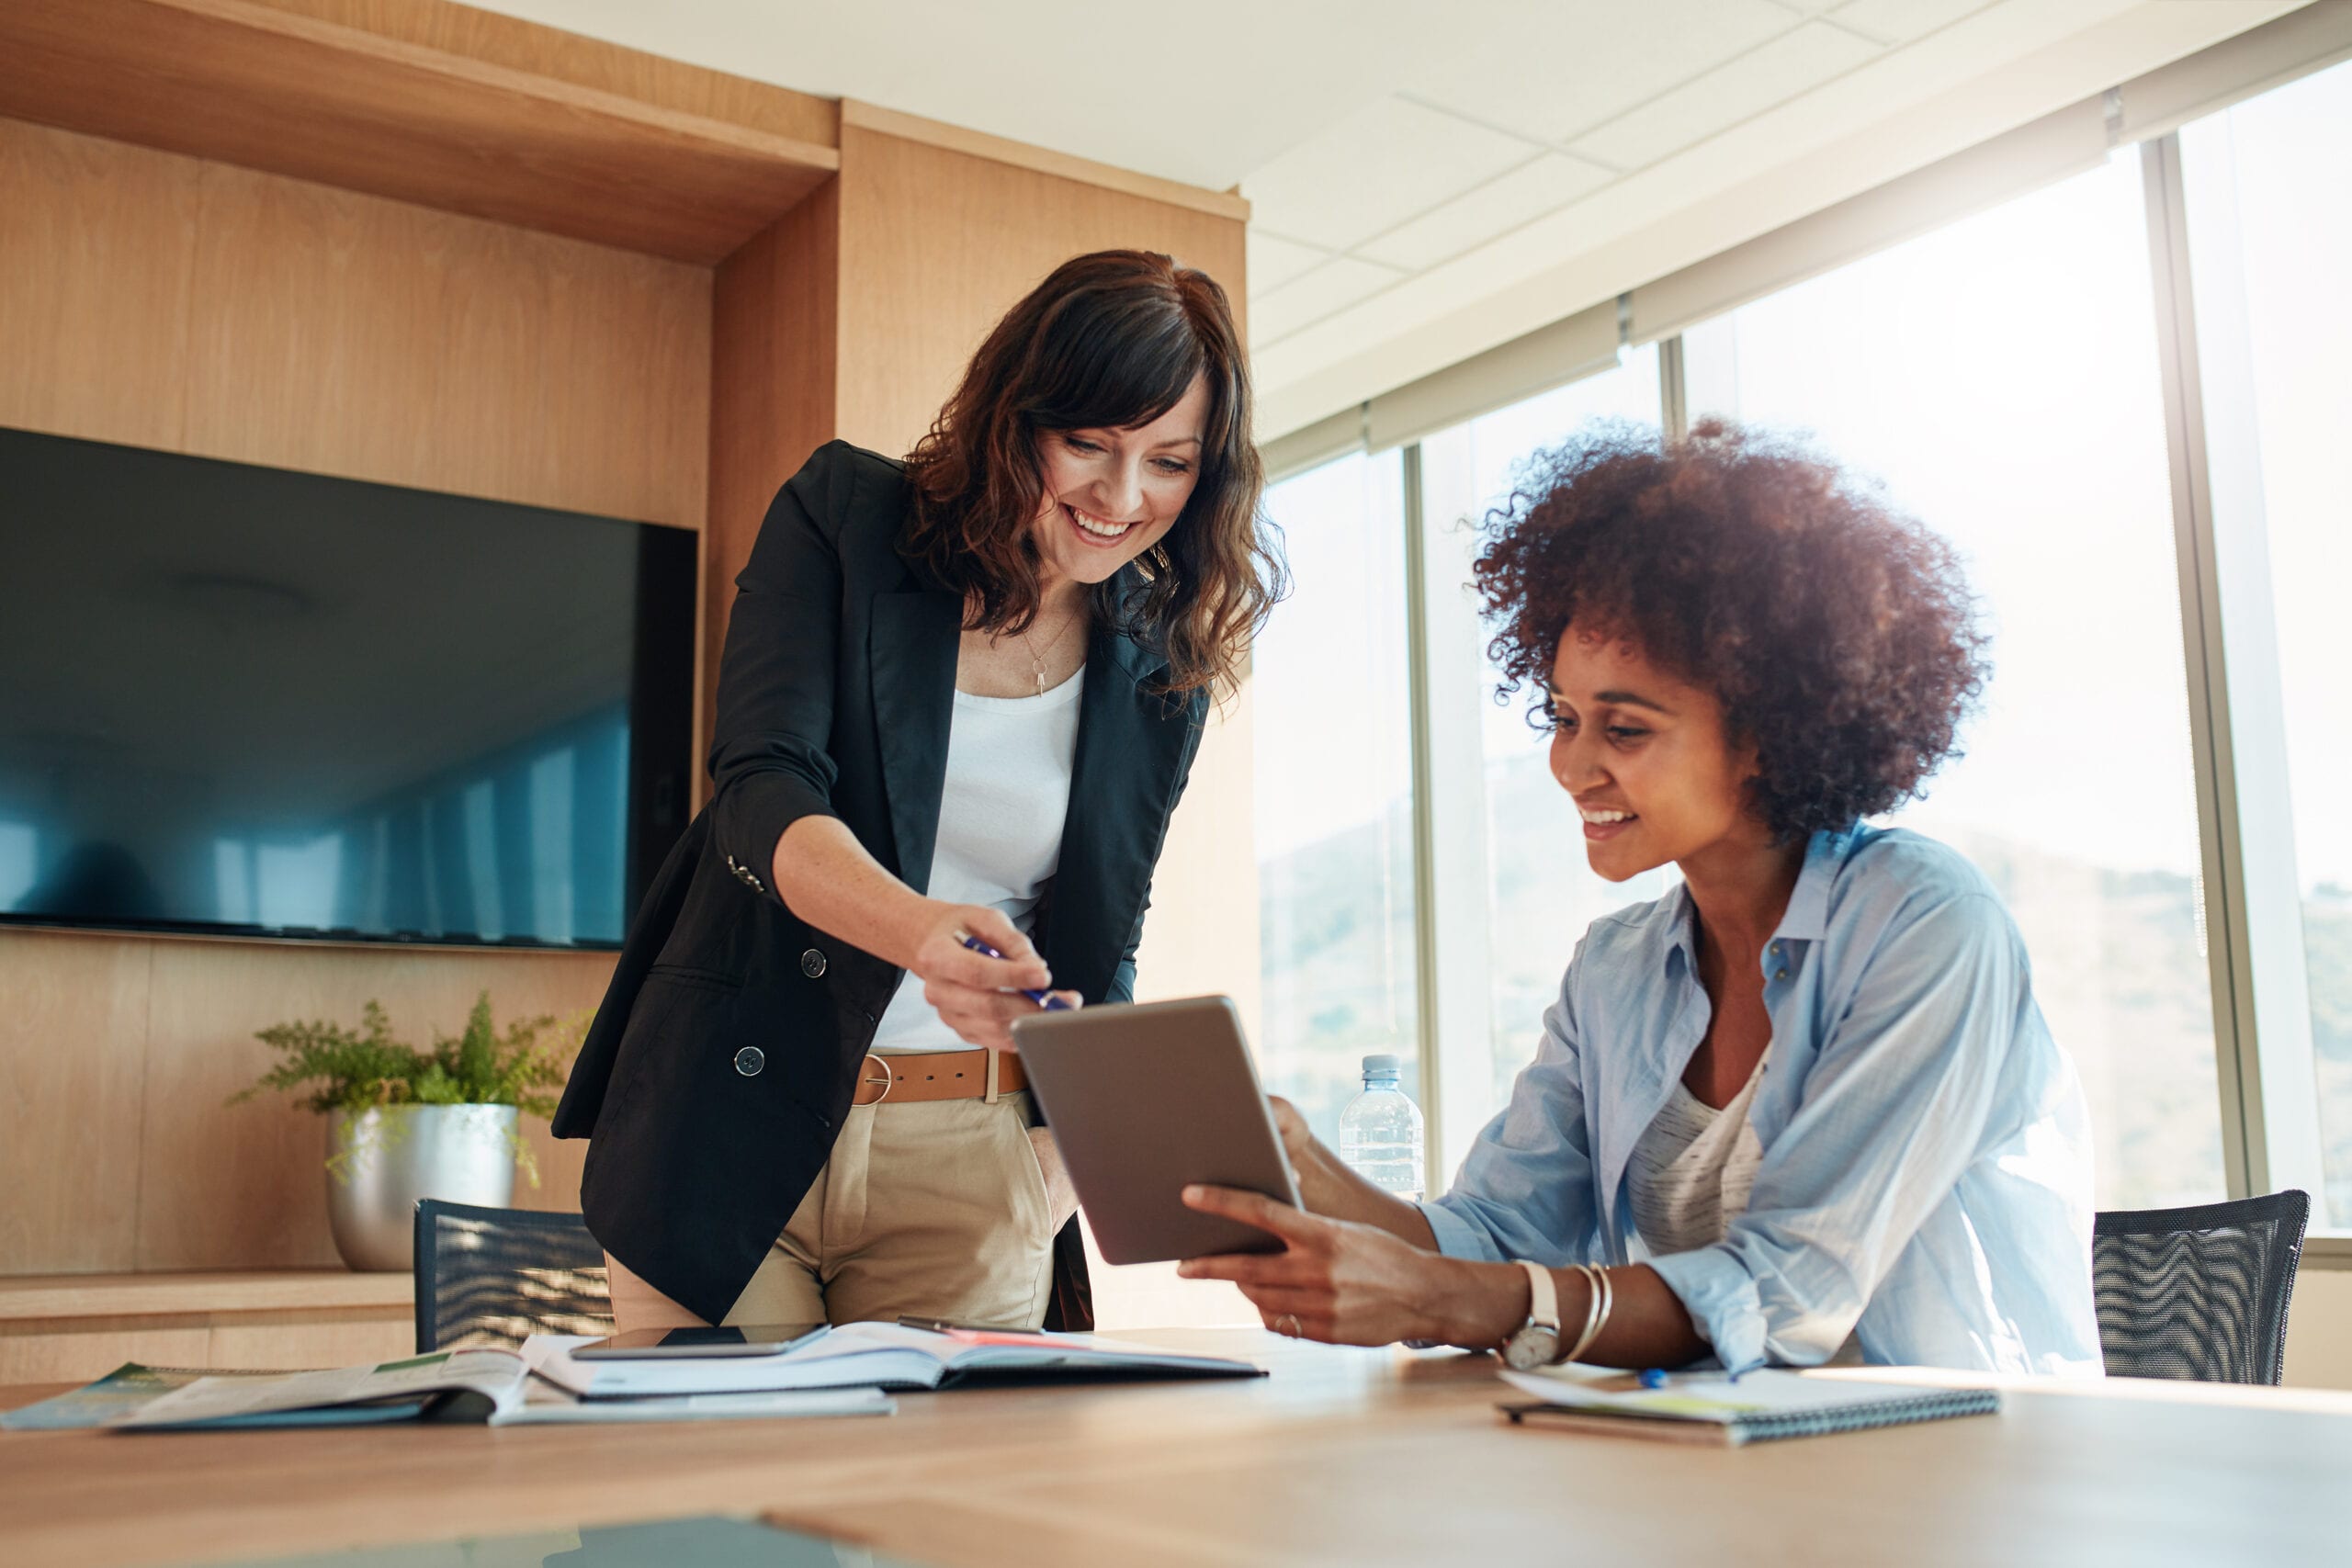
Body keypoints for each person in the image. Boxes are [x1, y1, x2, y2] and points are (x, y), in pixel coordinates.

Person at [1180, 420, 2100, 1376]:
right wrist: (1312, 1175)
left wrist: (1446, 1298)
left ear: (1766, 735)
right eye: (1563, 718)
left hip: (1969, 1470)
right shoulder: (1617, 971)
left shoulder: (1925, 925)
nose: (1572, 766)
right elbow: (1499, 1241)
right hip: (1728, 1461)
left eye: (1623, 729)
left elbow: (1786, 1293)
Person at [553, 250, 1281, 1334]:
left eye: (1168, 462)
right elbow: (761, 789)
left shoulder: (1154, 669)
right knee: (712, 1500)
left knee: (940, 1507)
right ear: (1015, 418)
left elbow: (1097, 941)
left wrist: (1055, 1174)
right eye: (1086, 443)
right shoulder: (848, 520)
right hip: (730, 1121)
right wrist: (919, 931)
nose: (1121, 498)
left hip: (974, 1165)